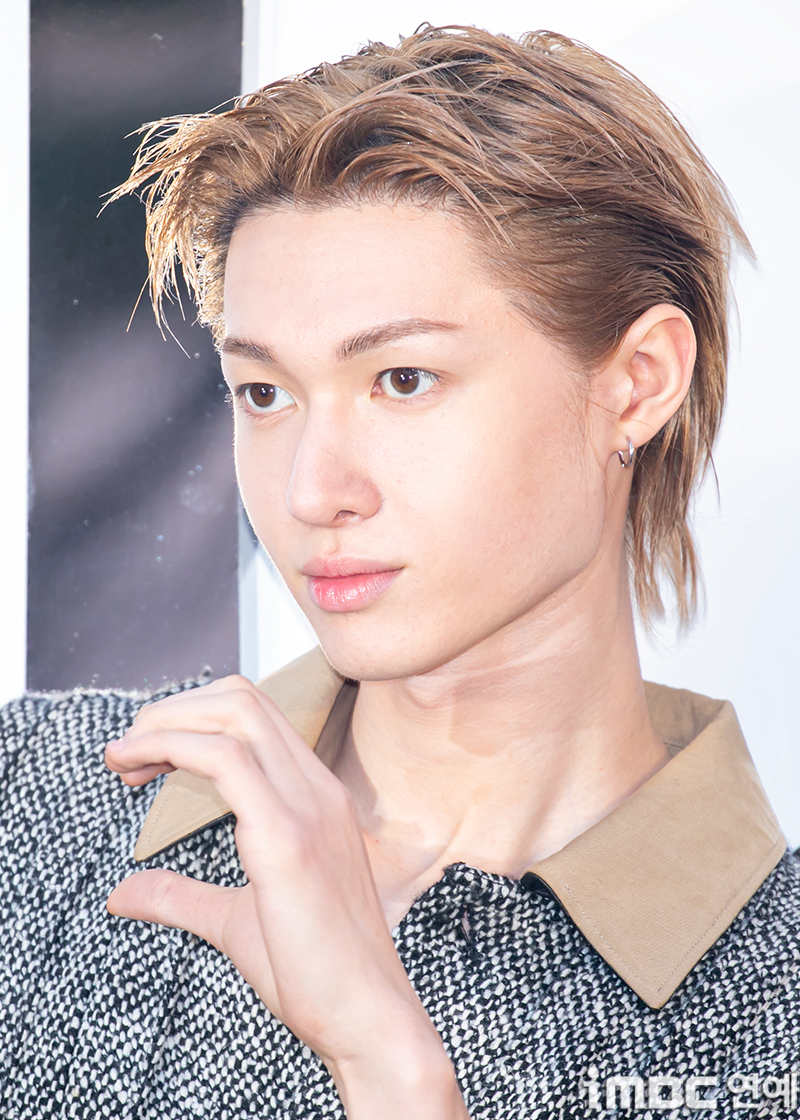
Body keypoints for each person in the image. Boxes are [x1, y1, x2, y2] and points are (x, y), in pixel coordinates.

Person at [1, 23, 797, 1120]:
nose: (311, 489)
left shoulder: (774, 993)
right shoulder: (34, 798)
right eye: (265, 394)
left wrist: (394, 1073)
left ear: (638, 381)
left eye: (403, 379)